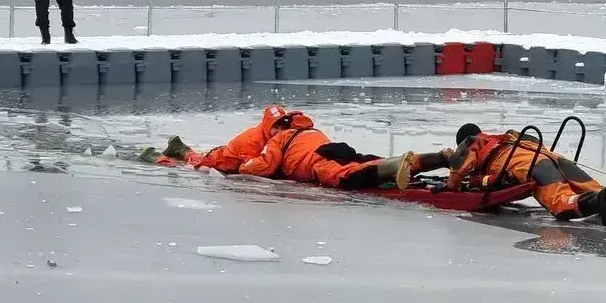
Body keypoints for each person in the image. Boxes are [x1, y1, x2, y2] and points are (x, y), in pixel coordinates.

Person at [446, 123, 606, 227]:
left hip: (533, 168)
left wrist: (451, 185)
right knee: (602, 191)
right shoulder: (507, 137)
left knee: (562, 204)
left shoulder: (471, 143)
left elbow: (458, 170)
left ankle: (596, 203)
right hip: (556, 160)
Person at [238, 113, 451, 190]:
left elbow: (265, 165)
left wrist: (243, 166)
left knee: (348, 175)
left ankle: (393, 166)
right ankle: (438, 158)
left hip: (316, 161)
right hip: (334, 148)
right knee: (363, 160)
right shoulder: (310, 131)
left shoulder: (279, 138)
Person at [139, 104, 303, 173]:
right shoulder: (252, 141)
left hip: (222, 155)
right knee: (190, 166)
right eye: (276, 127)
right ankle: (153, 156)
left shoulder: (266, 135)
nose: (279, 132)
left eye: (283, 128)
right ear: (268, 125)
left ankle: (180, 148)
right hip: (222, 161)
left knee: (199, 159)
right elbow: (248, 167)